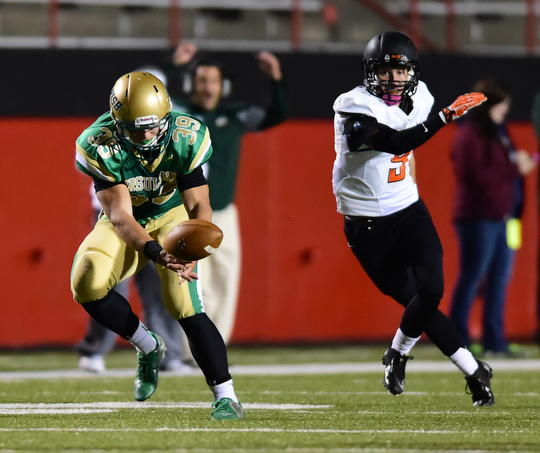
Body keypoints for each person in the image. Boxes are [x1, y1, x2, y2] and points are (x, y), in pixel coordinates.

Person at [331, 31, 495, 406]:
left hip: (407, 207)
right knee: (417, 301)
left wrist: (410, 187)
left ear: (412, 72)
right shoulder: (352, 107)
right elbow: (395, 143)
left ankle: (401, 355)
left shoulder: (421, 97)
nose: (394, 79)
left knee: (432, 290)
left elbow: (409, 152)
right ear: (370, 72)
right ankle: (472, 370)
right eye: (385, 71)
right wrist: (447, 116)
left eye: (401, 70)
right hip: (368, 223)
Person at [70, 70, 245, 420]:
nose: (147, 135)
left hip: (172, 216)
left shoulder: (186, 135)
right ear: (118, 124)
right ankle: (148, 345)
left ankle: (226, 396)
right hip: (126, 221)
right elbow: (120, 217)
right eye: (136, 129)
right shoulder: (99, 144)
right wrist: (155, 253)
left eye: (152, 126)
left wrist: (194, 248)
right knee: (85, 282)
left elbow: (199, 204)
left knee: (185, 304)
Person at [167, 42, 287, 346]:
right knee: (188, 279)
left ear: (224, 86)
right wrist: (174, 67)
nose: (208, 87)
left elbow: (277, 114)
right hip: (185, 212)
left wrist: (275, 80)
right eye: (201, 80)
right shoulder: (181, 114)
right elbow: (159, 103)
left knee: (225, 279)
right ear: (191, 84)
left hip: (223, 210)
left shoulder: (235, 116)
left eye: (213, 81)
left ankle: (215, 345)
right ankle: (184, 348)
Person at [76, 67, 190, 374]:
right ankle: (95, 349)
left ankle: (169, 354)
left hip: (158, 216)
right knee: (107, 283)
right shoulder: (109, 132)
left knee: (162, 284)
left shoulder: (174, 134)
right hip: (116, 218)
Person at [450, 78, 537, 357]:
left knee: (500, 278)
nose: (505, 111)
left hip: (506, 218)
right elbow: (472, 175)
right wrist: (513, 168)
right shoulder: (470, 134)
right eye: (502, 105)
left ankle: (494, 339)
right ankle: (457, 338)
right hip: (479, 217)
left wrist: (519, 163)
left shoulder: (499, 132)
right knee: (473, 276)